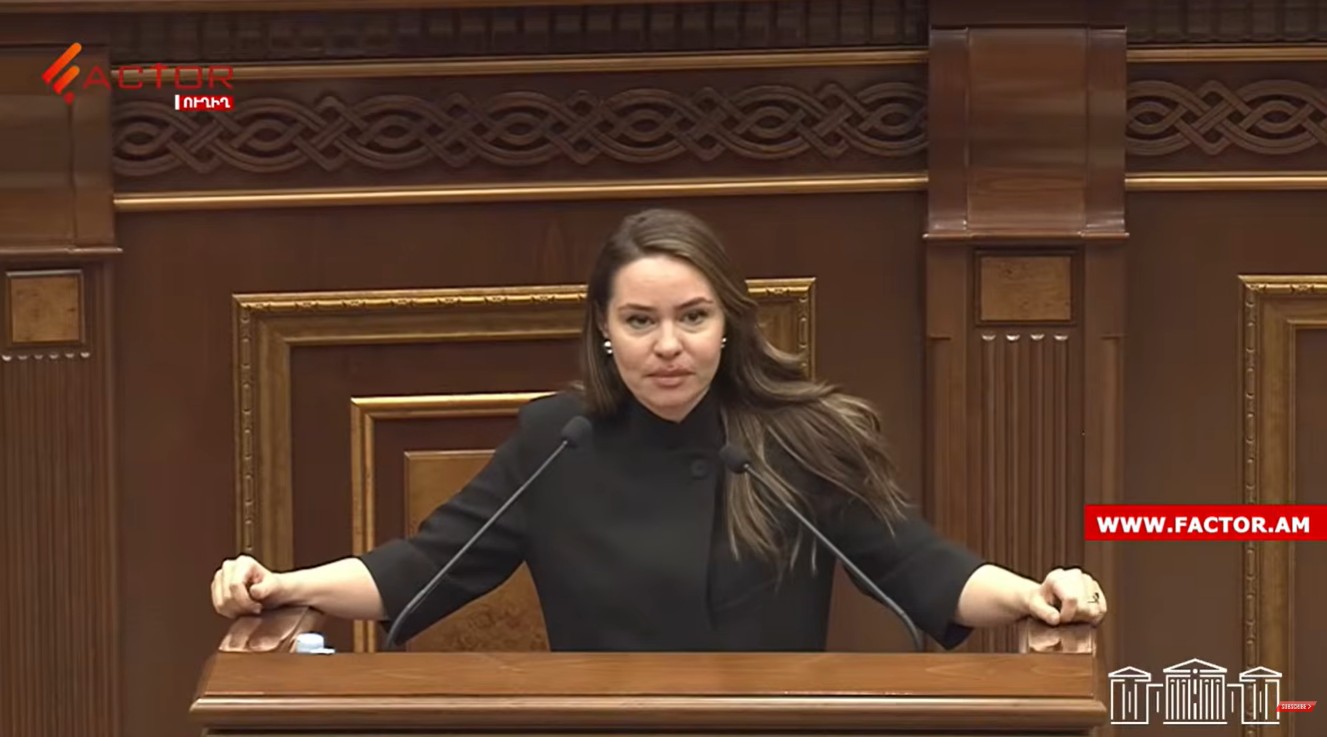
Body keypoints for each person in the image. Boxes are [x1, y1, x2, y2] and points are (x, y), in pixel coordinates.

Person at [210, 208, 1108, 650]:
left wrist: (1034, 594)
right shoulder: (555, 442)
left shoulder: (798, 439)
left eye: (692, 317)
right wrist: (290, 585)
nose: (668, 346)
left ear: (729, 324)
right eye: (639, 321)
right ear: (605, 331)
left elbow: (918, 565)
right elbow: (424, 564)